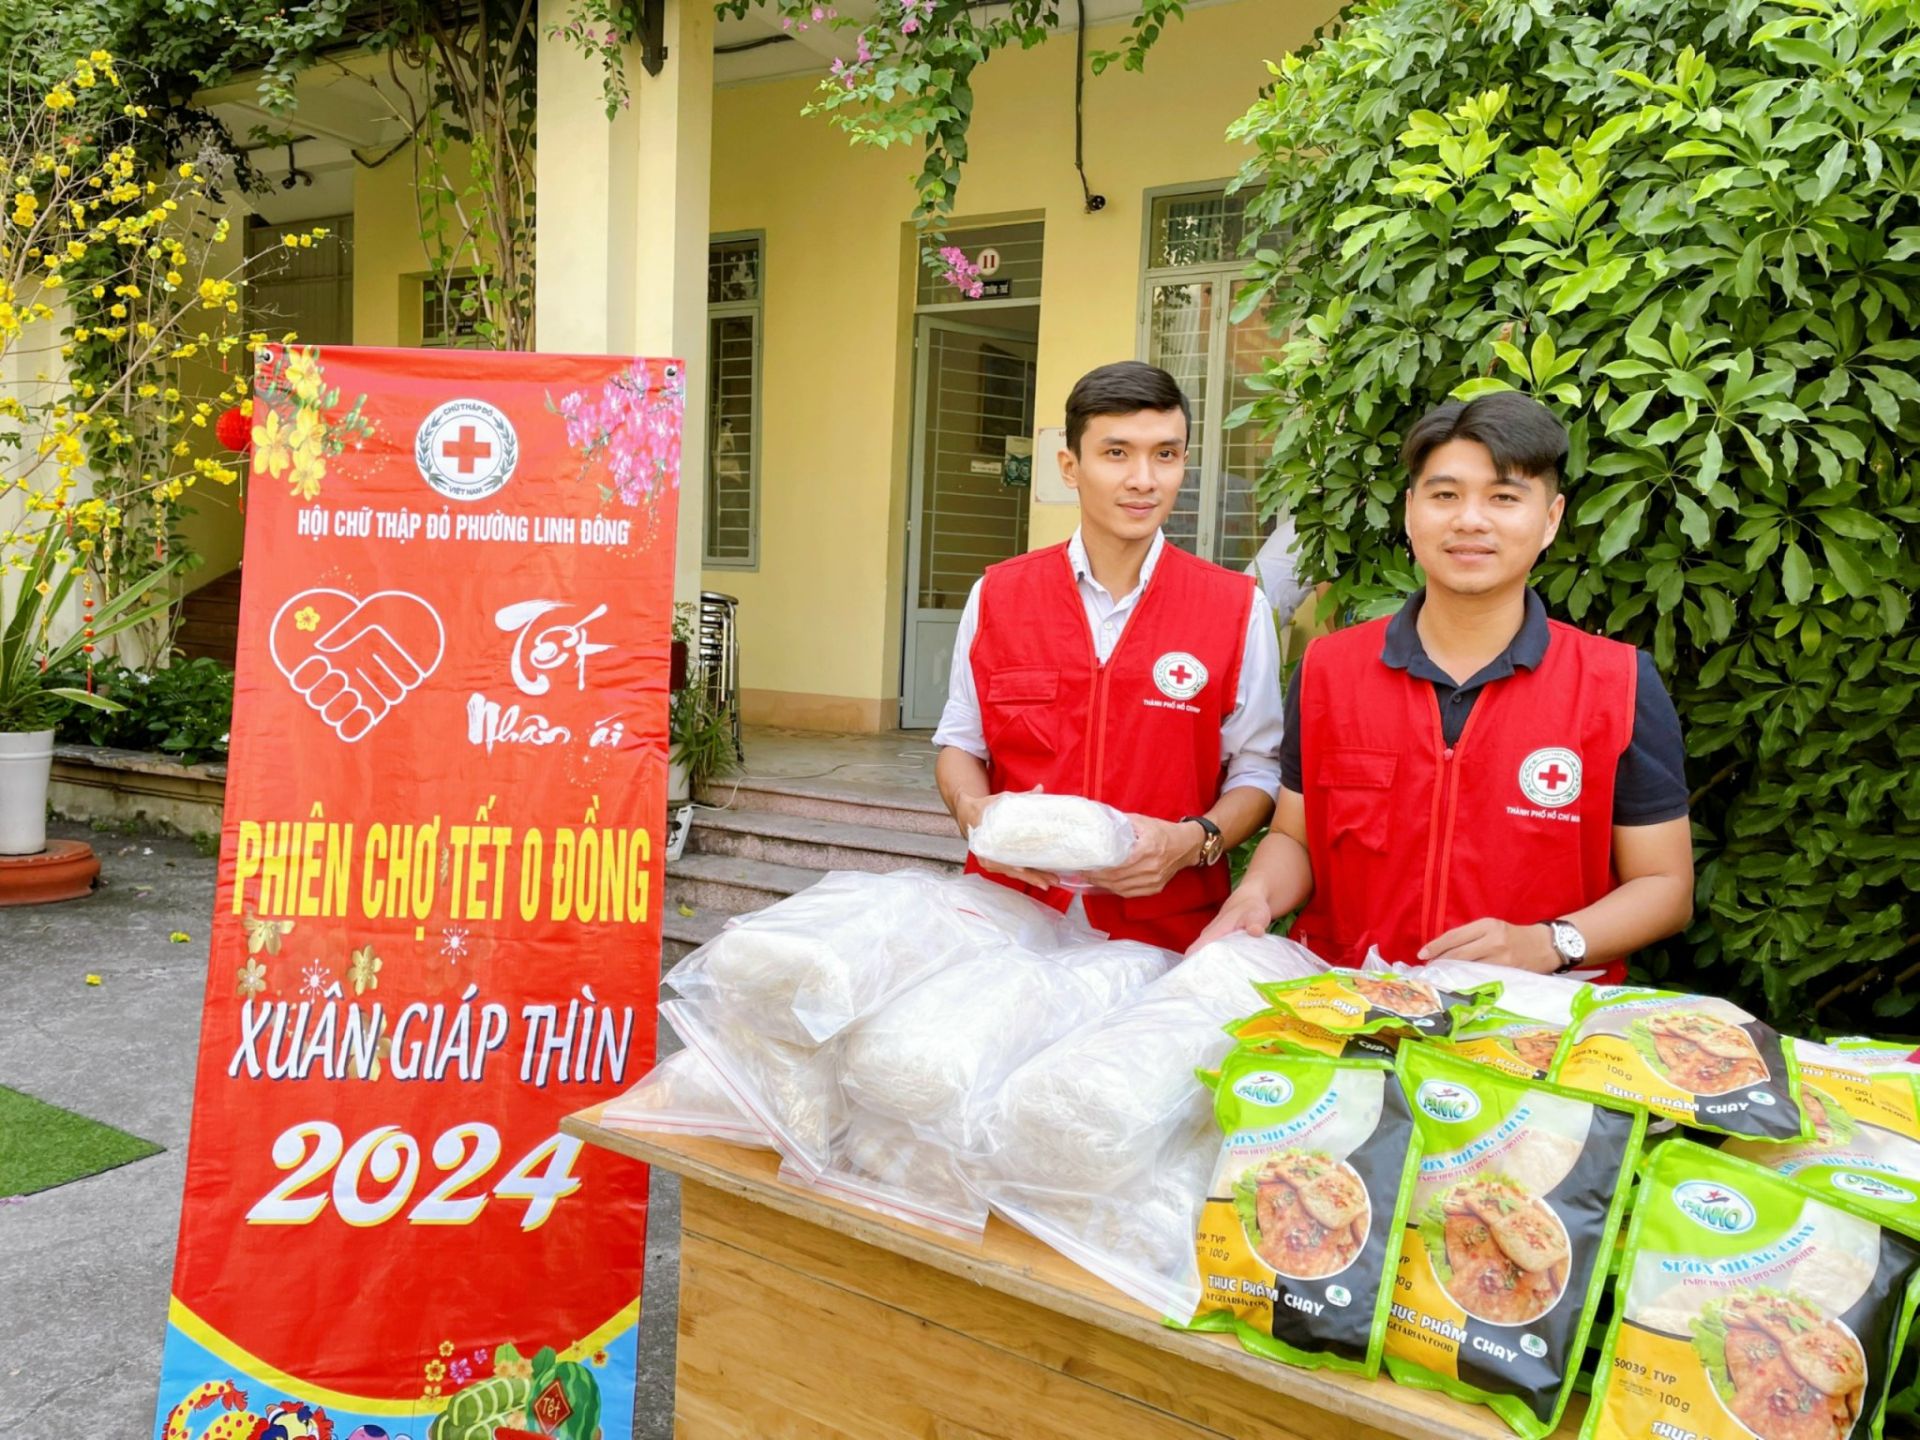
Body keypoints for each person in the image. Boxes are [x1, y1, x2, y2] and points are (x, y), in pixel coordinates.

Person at [1194, 391, 1693, 981]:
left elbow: (1665, 886)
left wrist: (1550, 942)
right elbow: (1295, 839)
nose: (1470, 520)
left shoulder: (1617, 683)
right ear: (1410, 511)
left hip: (1529, 1027)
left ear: (1550, 519)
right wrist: (1255, 896)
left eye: (1504, 498)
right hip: (1350, 1009)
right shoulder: (1331, 670)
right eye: (1445, 495)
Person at [933, 361, 1284, 951]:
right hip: (1006, 924)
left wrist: (1193, 841)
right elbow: (962, 743)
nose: (1144, 479)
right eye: (1117, 453)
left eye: (1166, 455)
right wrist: (974, 817)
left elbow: (1256, 770)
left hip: (1163, 933)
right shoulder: (999, 593)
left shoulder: (1236, 608)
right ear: (1070, 467)